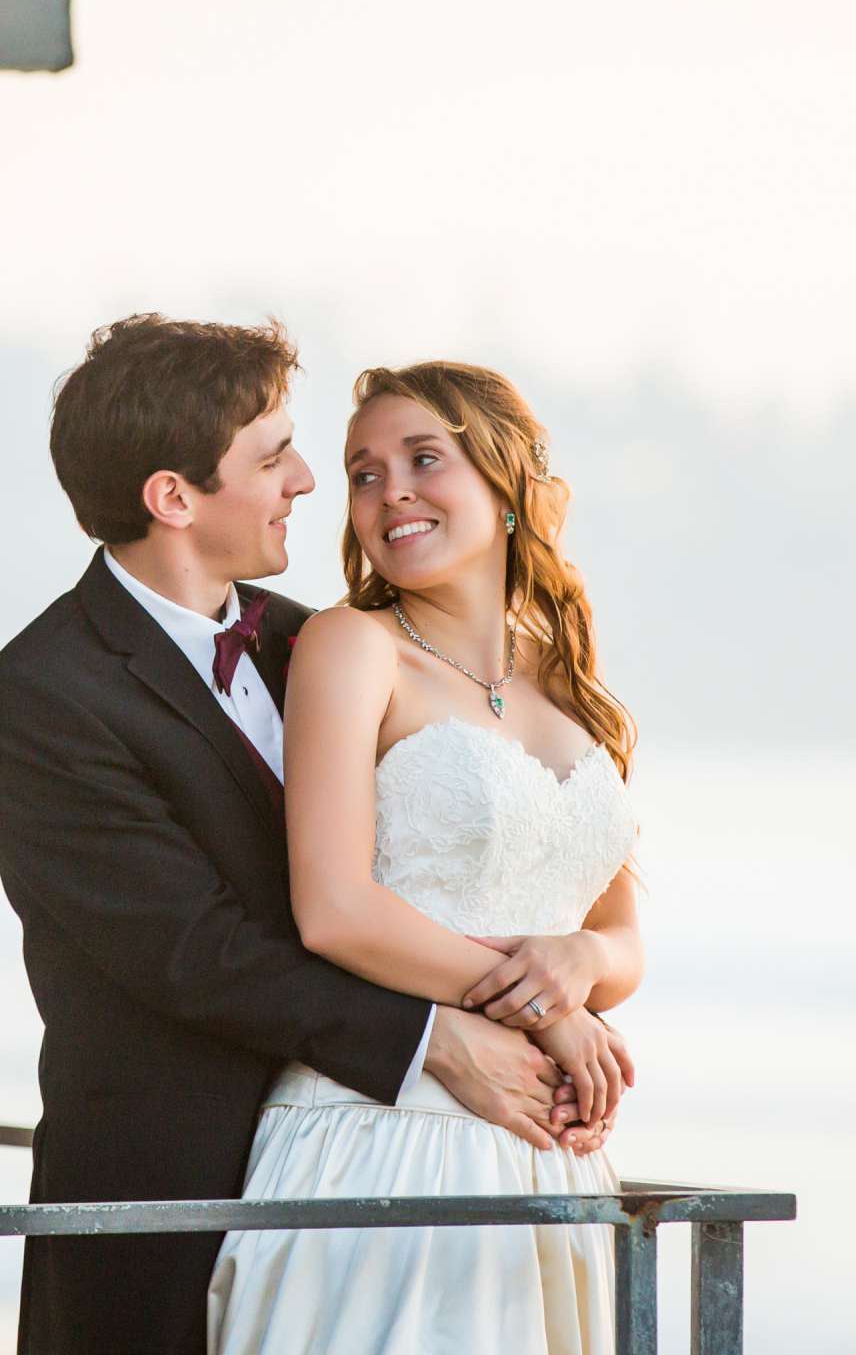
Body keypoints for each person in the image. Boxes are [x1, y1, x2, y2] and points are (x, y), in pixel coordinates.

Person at [0, 317, 604, 1355]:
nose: (308, 479)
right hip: (169, 1194)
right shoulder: (39, 698)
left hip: (406, 1164)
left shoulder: (313, 641)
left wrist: (567, 981)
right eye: (273, 456)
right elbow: (194, 952)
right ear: (174, 498)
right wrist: (434, 1040)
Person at [208, 359, 645, 1355]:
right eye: (364, 472)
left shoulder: (572, 682)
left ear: (506, 479)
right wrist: (548, 1007)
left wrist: (579, 968)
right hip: (388, 1131)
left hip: (550, 1151)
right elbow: (334, 907)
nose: (388, 489)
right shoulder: (349, 646)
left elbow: (621, 934)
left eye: (423, 458)